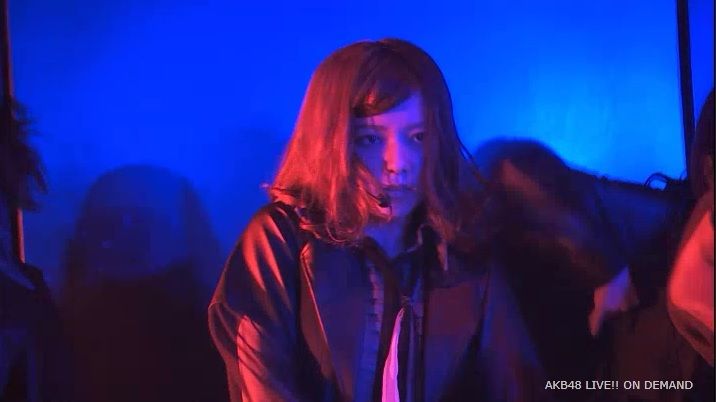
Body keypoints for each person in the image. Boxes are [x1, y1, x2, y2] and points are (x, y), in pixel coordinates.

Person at [208, 38, 546, 402]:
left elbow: (522, 385)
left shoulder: (464, 249)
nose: (398, 164)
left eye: (418, 137)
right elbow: (264, 387)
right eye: (369, 139)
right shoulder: (280, 240)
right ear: (331, 142)